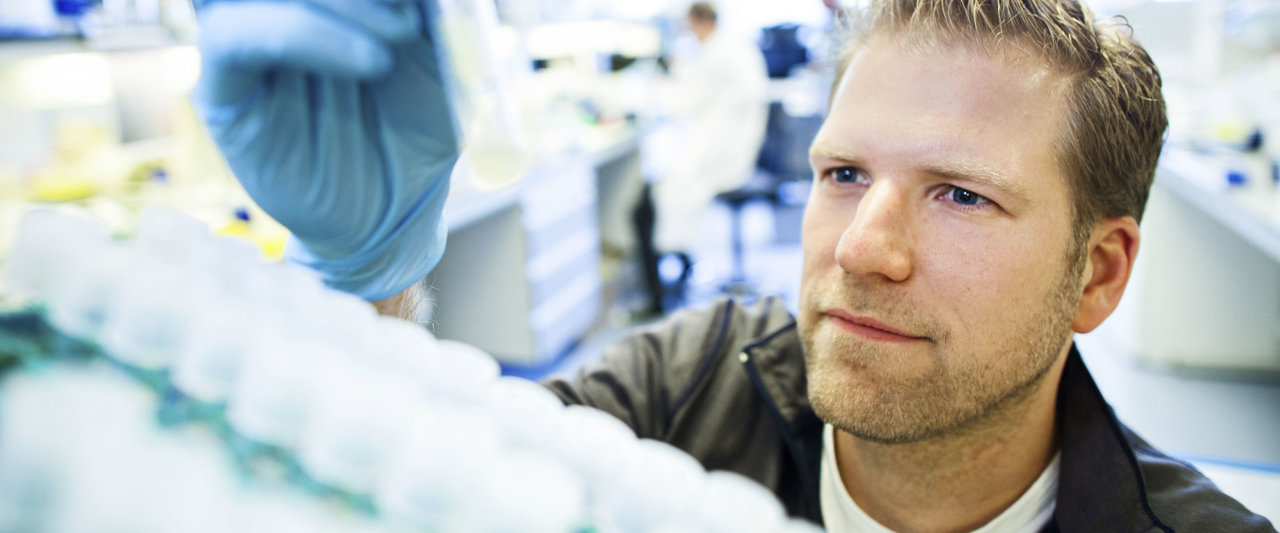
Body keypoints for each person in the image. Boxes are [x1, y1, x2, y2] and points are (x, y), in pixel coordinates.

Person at [193, 0, 1277, 530]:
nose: (859, 247)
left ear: (1095, 273)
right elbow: (416, 492)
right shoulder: (689, 385)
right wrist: (360, 282)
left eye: (959, 194)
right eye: (842, 173)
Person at [634, 1, 771, 314]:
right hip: (735, 152)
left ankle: (664, 292)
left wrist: (661, 79)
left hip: (717, 158)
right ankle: (682, 268)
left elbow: (682, 103)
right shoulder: (735, 49)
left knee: (651, 203)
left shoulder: (716, 54)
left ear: (697, 20)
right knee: (662, 197)